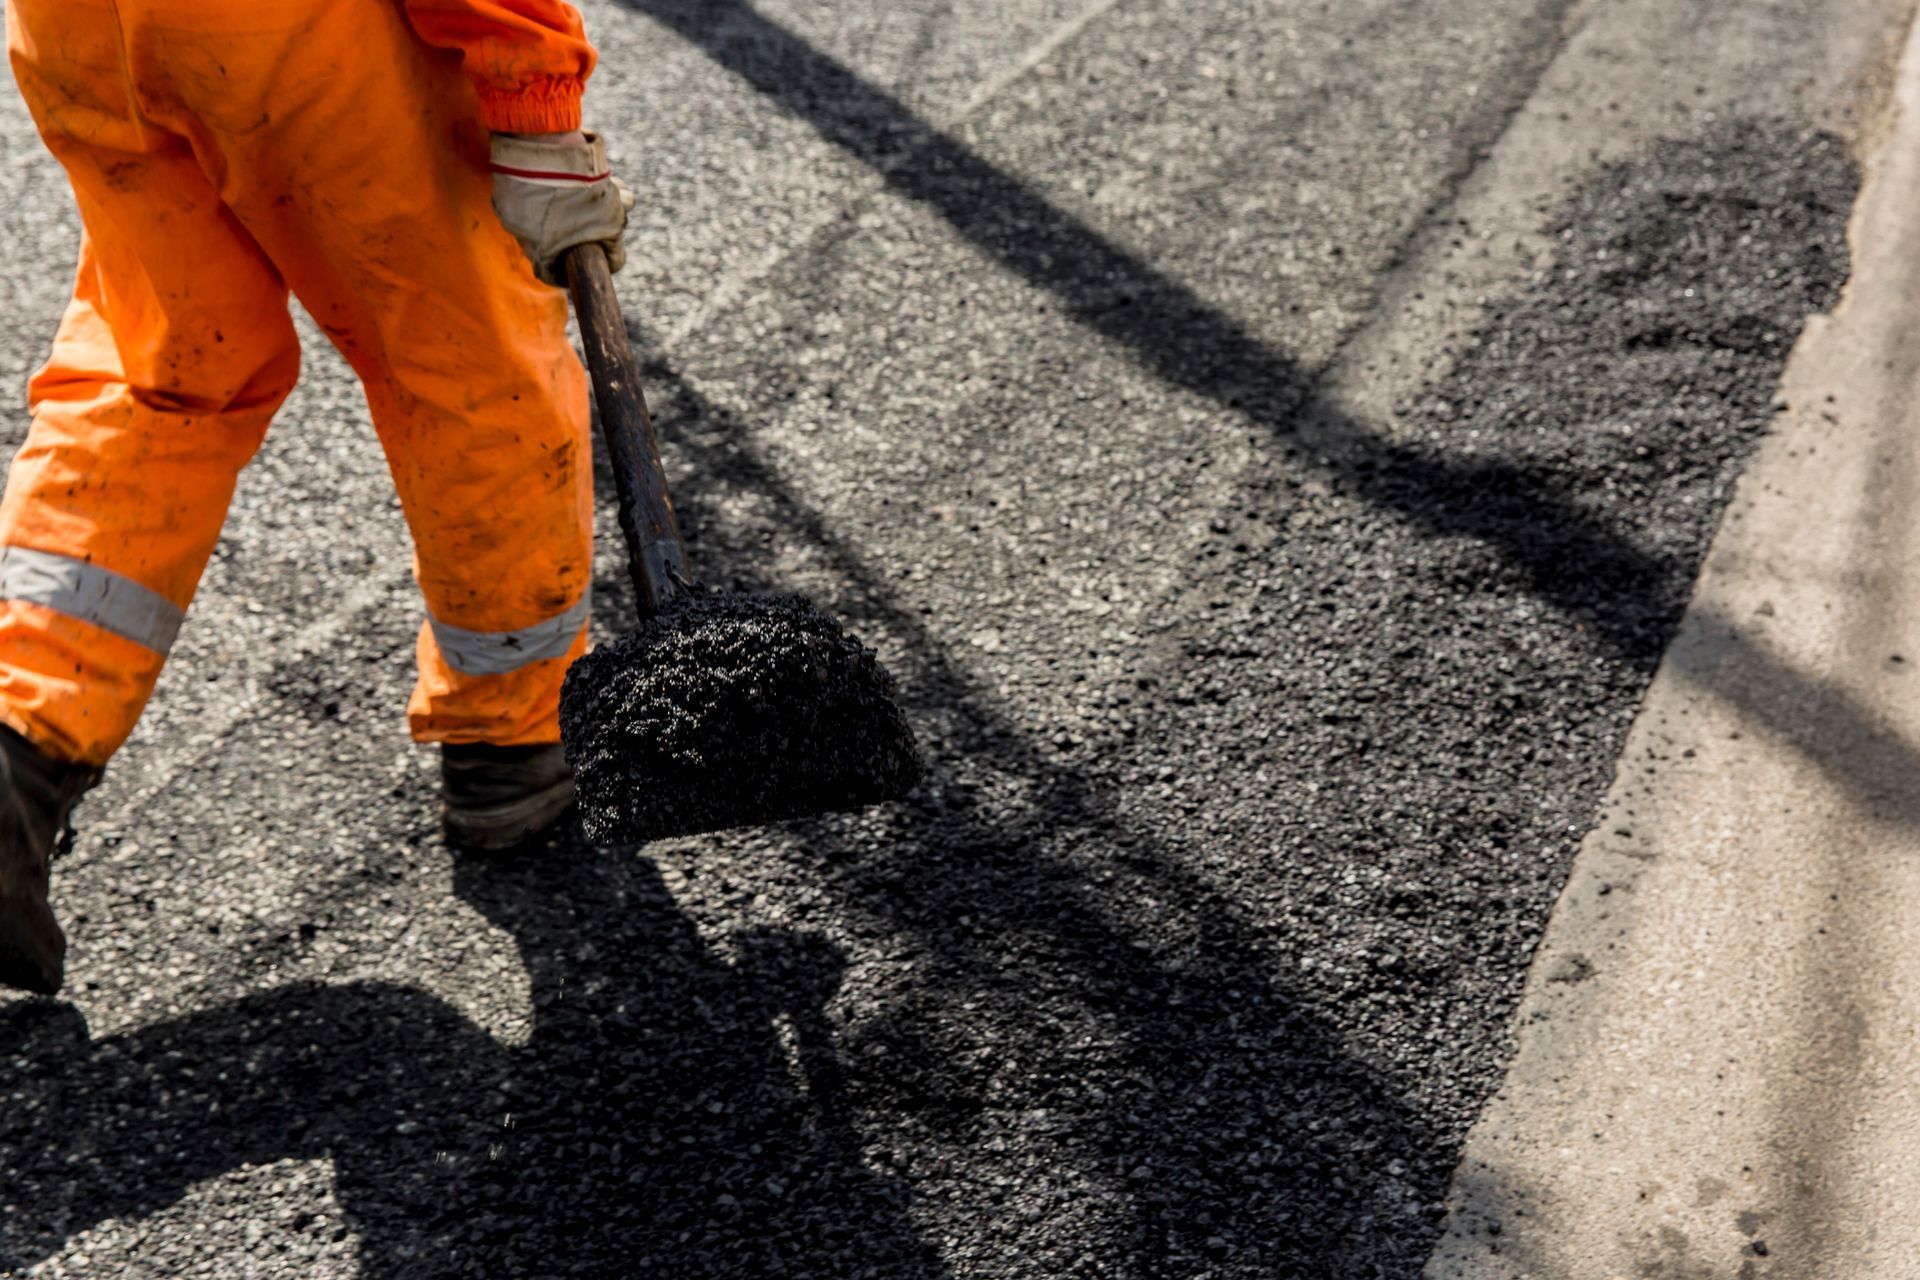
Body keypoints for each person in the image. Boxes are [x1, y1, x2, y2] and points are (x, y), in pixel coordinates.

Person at [0, 0, 630, 996]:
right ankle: (513, 738)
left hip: (79, 31)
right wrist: (532, 87)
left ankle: (17, 748)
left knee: (166, 373)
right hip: (286, 32)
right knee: (468, 363)